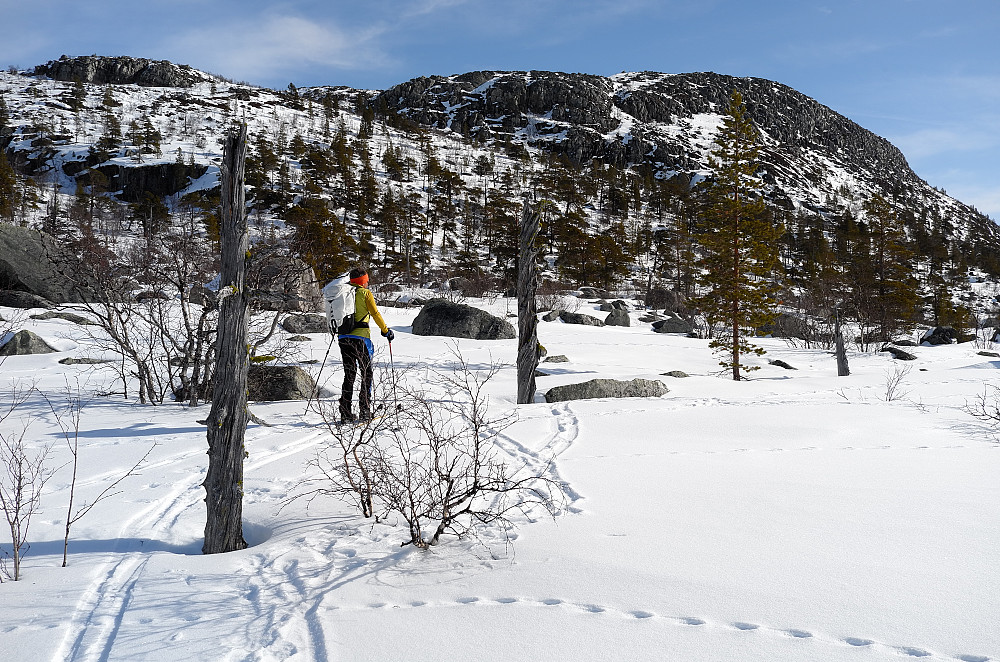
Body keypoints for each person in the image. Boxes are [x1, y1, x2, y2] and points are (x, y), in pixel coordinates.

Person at [337, 267, 394, 422]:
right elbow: (375, 313)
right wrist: (385, 330)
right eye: (367, 280)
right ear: (362, 281)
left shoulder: (343, 293)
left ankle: (345, 412)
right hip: (360, 338)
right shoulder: (365, 293)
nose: (368, 282)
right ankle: (364, 410)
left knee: (349, 374)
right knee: (366, 373)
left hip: (343, 338)